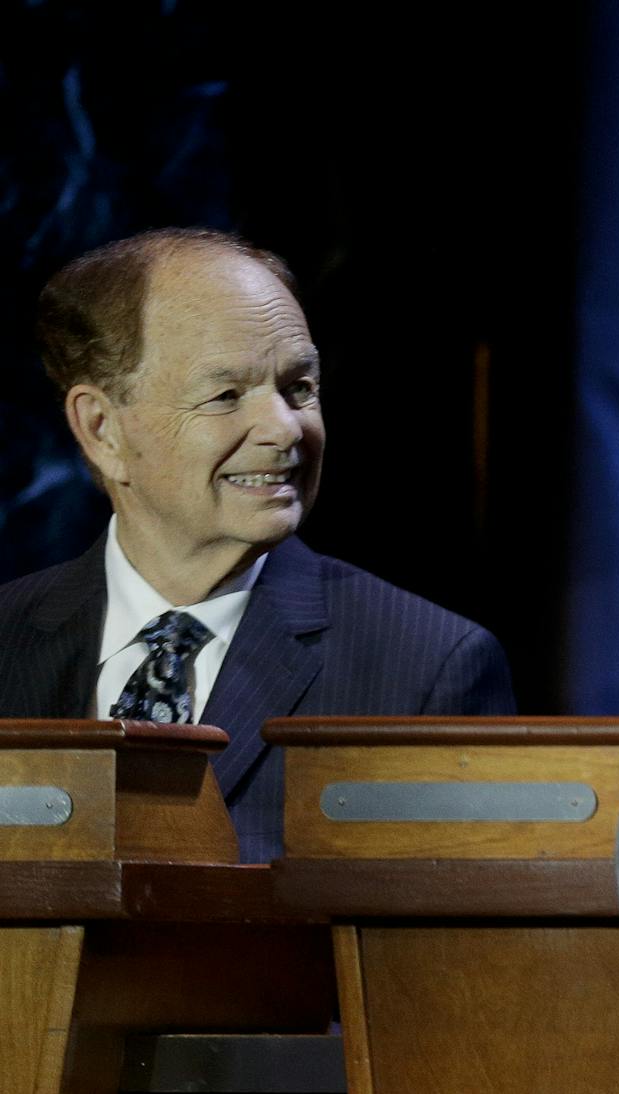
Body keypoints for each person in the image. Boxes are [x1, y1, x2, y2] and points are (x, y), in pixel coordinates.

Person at [0, 228, 515, 861]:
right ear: (102, 429)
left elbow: (443, 953)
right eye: (225, 396)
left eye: (299, 388)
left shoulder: (427, 671)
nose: (283, 428)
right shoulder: (8, 639)